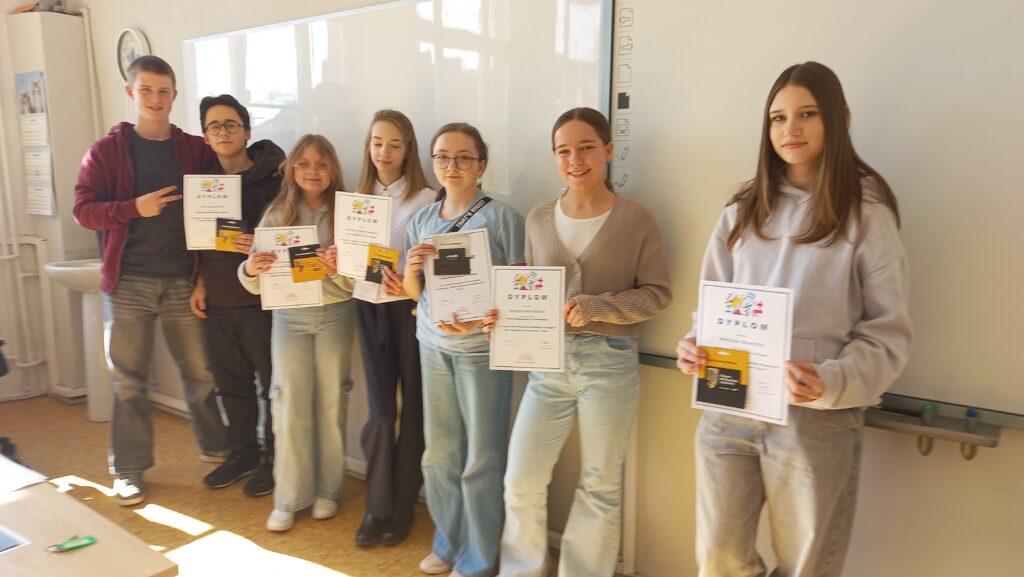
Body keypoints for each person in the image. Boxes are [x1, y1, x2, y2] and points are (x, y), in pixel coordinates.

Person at [675, 61, 913, 577]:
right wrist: (694, 342)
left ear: (839, 118)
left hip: (815, 418)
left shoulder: (867, 215)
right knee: (718, 559)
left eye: (807, 114)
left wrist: (830, 382)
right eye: (778, 118)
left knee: (806, 566)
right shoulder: (741, 212)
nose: (791, 129)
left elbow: (887, 333)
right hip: (729, 405)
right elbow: (714, 304)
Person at [490, 107, 671, 577]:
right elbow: (530, 289)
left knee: (600, 486)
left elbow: (657, 295)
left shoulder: (637, 218)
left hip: (610, 364)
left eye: (586, 148)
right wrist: (504, 319)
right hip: (547, 367)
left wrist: (597, 307)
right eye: (563, 151)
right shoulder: (538, 218)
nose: (575, 160)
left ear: (608, 150)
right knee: (521, 481)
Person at [73, 55, 226, 506]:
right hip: (128, 284)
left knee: (201, 374)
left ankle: (217, 449)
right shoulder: (105, 151)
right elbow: (83, 211)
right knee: (129, 383)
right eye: (146, 90)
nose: (155, 99)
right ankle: (130, 470)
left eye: (163, 91)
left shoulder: (194, 149)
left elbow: (225, 190)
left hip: (183, 281)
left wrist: (203, 276)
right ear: (131, 93)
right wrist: (132, 208)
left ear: (174, 96)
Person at [403, 123, 525, 577]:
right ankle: (448, 542)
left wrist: (481, 317)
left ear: (481, 164)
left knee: (482, 458)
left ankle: (479, 558)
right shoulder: (422, 219)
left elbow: (519, 288)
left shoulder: (503, 217)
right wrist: (412, 269)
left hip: (481, 352)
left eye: (463, 157)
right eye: (442, 157)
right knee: (439, 454)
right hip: (433, 345)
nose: (451, 166)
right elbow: (416, 295)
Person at [237, 134, 356, 532]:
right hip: (289, 318)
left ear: (333, 169)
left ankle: (328, 490)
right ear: (291, 169)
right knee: (288, 404)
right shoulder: (277, 213)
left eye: (321, 164)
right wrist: (250, 268)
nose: (313, 171)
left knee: (331, 403)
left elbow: (359, 282)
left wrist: (337, 270)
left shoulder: (347, 214)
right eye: (304, 163)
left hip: (336, 315)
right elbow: (254, 280)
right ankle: (289, 497)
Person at [189, 94, 285, 497]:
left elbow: (291, 234)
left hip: (263, 304)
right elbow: (192, 241)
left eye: (230, 125)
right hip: (217, 301)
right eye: (214, 126)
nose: (223, 132)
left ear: (247, 132)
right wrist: (197, 280)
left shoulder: (275, 180)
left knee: (272, 388)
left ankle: (275, 461)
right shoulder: (201, 184)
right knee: (231, 386)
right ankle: (242, 453)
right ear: (205, 136)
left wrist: (259, 244)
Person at [352, 110, 435, 548]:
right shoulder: (355, 199)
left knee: (415, 411)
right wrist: (338, 260)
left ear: (408, 150)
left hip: (410, 312)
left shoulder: (427, 199)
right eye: (377, 142)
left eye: (394, 144)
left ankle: (403, 506)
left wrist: (409, 281)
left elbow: (435, 268)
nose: (384, 152)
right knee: (382, 414)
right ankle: (377, 507)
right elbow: (352, 264)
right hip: (368, 310)